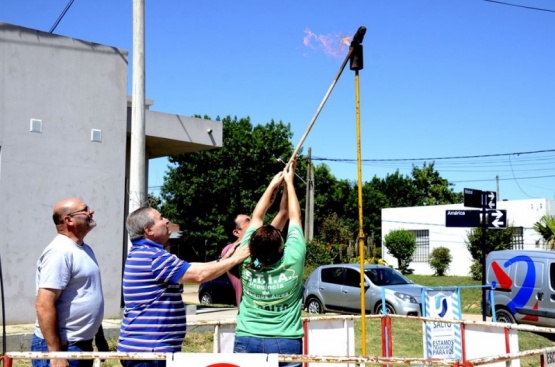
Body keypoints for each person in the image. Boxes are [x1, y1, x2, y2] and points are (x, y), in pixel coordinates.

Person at [117, 206, 250, 367]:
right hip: (149, 352)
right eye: (161, 218)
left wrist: (223, 261)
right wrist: (238, 257)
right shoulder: (153, 257)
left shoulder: (145, 253)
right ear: (148, 229)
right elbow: (199, 275)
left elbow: (194, 268)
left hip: (147, 350)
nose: (167, 220)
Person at [233, 160, 306, 367]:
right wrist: (290, 183)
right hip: (286, 340)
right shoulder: (293, 257)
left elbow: (257, 216)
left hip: (247, 337)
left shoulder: (245, 255)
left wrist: (272, 185)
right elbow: (295, 216)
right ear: (280, 247)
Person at [32, 198, 107, 367]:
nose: (91, 211)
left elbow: (88, 295)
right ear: (69, 220)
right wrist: (56, 354)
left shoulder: (84, 249)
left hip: (81, 344)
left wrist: (99, 338)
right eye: (85, 209)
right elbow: (44, 305)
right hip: (63, 347)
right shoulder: (59, 252)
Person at [221, 203, 288, 306]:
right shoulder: (229, 250)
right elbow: (256, 264)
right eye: (248, 221)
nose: (253, 222)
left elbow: (283, 214)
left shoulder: (259, 244)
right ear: (236, 232)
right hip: (251, 315)